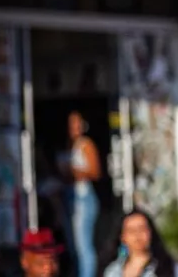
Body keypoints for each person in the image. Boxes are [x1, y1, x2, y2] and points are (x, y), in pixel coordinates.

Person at [99, 210, 178, 277]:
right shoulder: (113, 271)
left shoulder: (169, 267)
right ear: (122, 237)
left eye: (142, 229)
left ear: (150, 232)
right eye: (131, 230)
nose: (137, 235)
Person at [67, 112, 100, 277]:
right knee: (76, 245)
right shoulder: (73, 146)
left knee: (84, 245)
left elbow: (96, 172)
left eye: (77, 124)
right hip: (75, 197)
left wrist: (74, 171)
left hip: (85, 197)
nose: (75, 128)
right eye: (72, 124)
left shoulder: (86, 144)